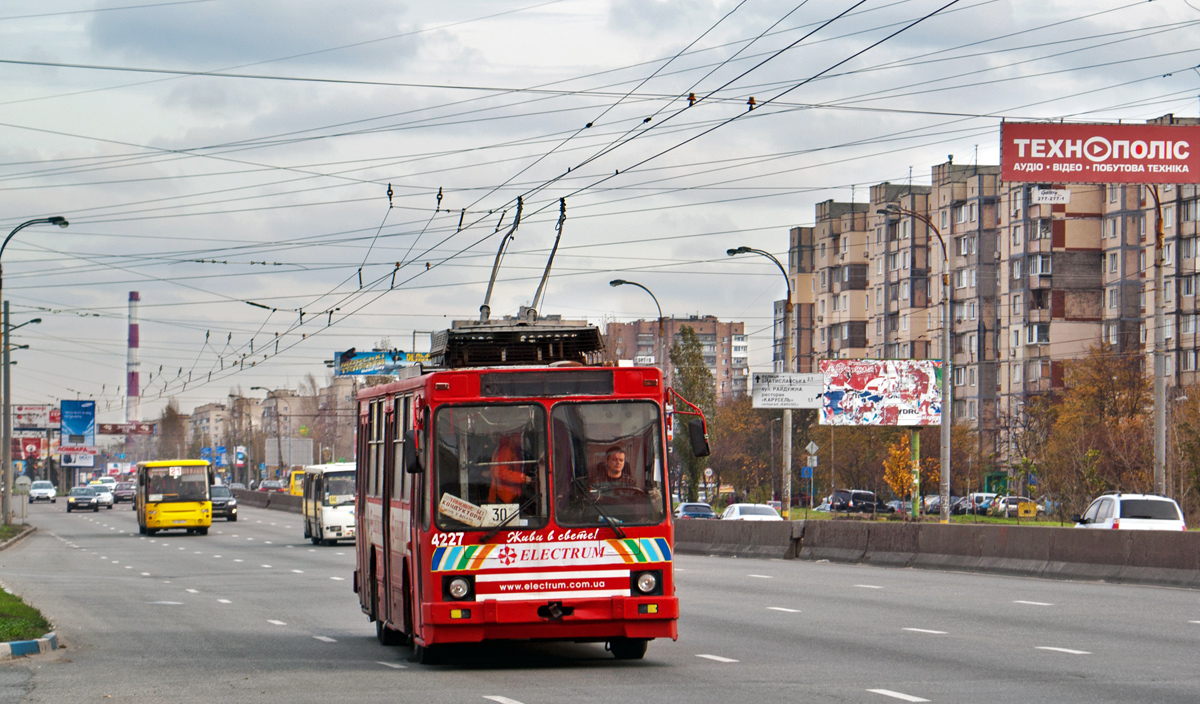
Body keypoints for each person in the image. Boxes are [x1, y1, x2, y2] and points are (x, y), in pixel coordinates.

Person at [488, 433, 528, 504]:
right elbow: (501, 472)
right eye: (519, 435)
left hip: (508, 495)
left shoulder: (512, 449)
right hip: (505, 497)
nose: (521, 439)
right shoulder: (505, 449)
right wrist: (522, 478)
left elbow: (516, 467)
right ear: (512, 437)